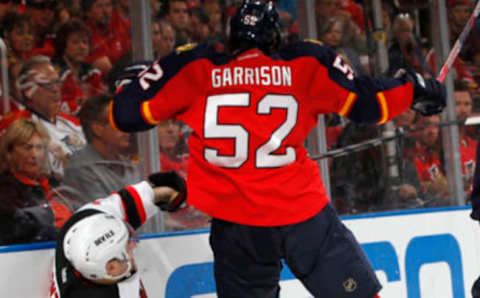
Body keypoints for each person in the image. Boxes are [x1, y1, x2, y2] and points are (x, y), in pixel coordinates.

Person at [109, 1, 446, 297]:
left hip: (235, 222)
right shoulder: (306, 62)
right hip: (302, 214)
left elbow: (124, 115)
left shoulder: (194, 65)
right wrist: (414, 88)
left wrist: (136, 85)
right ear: (277, 37)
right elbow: (367, 104)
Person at [49, 171, 187, 298]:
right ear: (112, 268)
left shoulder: (82, 229)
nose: (133, 244)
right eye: (126, 247)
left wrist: (158, 195)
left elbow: (119, 206)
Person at [0, 55, 86, 177]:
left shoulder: (72, 122)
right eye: (48, 84)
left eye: (57, 82)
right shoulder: (16, 126)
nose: (56, 89)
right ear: (28, 90)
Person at [0, 118, 72, 245]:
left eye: (39, 147)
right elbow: (15, 230)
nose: (34, 154)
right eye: (27, 147)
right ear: (9, 152)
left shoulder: (54, 183)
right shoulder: (5, 190)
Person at [63, 95, 139, 208]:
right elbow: (103, 213)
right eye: (118, 122)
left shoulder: (128, 164)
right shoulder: (80, 168)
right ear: (97, 129)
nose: (126, 127)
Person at [52, 19, 105, 115]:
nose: (82, 47)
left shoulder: (92, 73)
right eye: (75, 42)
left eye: (85, 42)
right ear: (63, 45)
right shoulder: (53, 73)